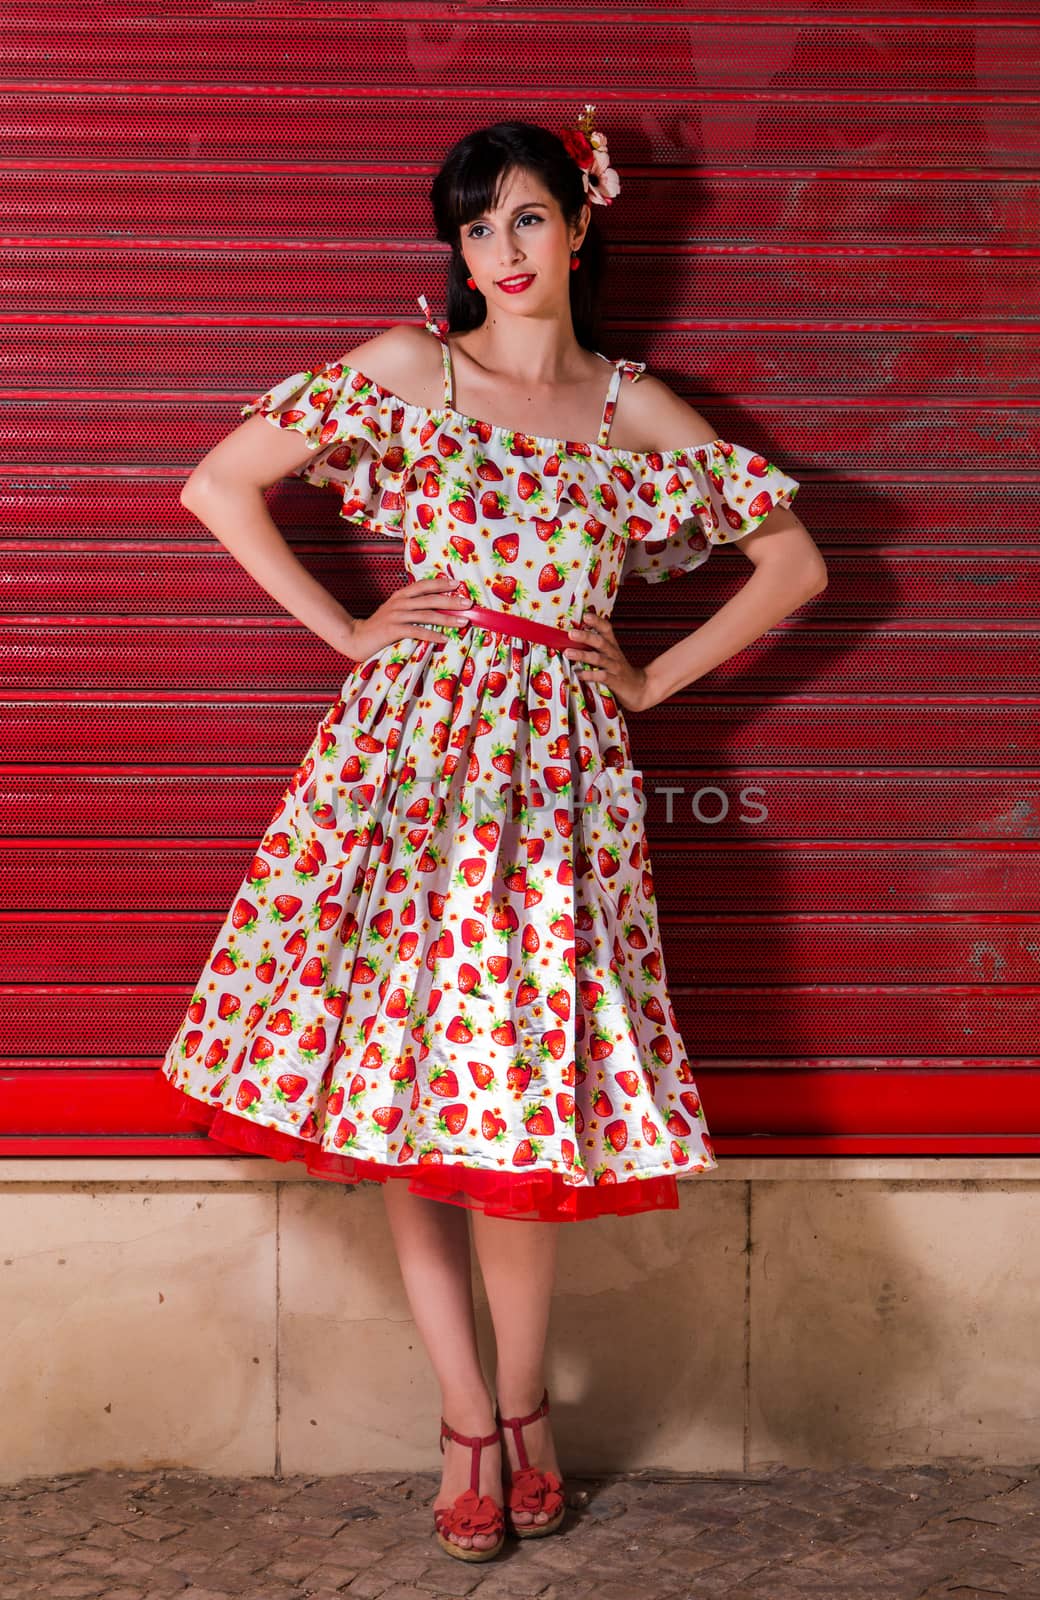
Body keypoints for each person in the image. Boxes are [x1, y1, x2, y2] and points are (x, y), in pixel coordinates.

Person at [158, 108, 827, 1560]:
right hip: (407, 777)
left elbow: (797, 564)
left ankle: (528, 1409)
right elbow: (220, 485)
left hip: (560, 794)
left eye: (528, 217)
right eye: (476, 226)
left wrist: (648, 678)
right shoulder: (413, 370)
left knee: (512, 1100)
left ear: (583, 225)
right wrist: (344, 625)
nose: (502, 252)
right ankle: (469, 1420)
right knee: (410, 1100)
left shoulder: (634, 411)